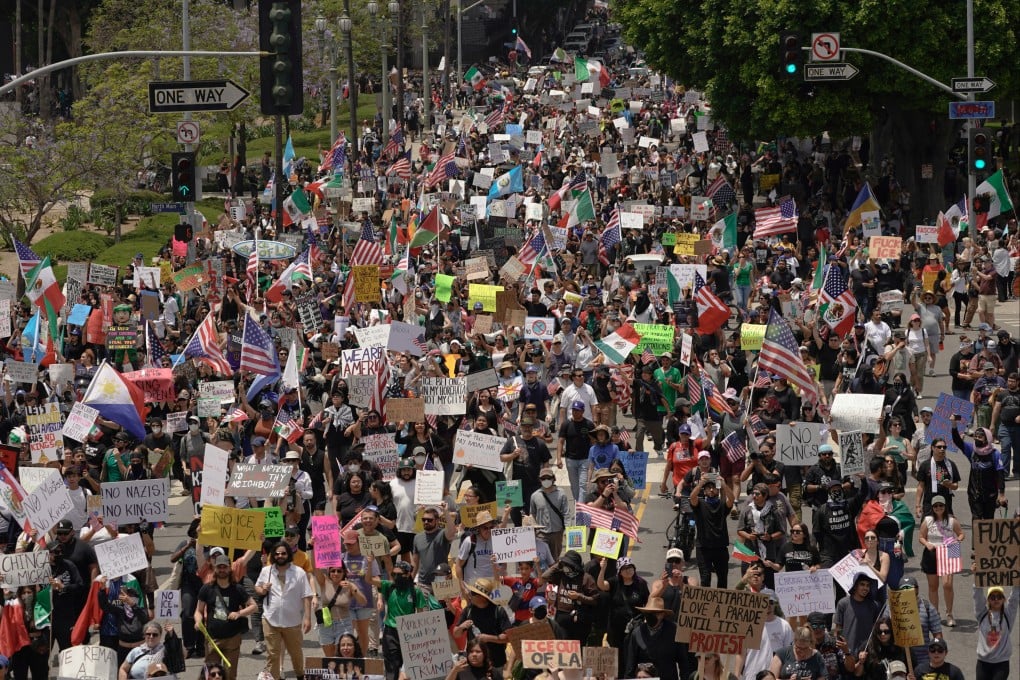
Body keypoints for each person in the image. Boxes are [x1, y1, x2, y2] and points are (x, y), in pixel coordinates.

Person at [254, 541, 314, 680]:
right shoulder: (266, 571)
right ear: (273, 556)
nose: (280, 556)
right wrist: (262, 590)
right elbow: (257, 587)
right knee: (272, 654)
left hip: (292, 621)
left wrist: (307, 618)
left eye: (283, 553)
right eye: (277, 554)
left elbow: (306, 595)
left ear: (288, 554)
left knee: (296, 653)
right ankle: (275, 677)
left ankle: (300, 675)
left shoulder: (299, 572)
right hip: (270, 619)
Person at [194, 554, 257, 680]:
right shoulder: (207, 589)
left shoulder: (238, 589)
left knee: (230, 675)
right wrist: (198, 621)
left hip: (232, 639)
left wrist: (239, 613)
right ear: (215, 569)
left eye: (225, 567)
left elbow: (254, 606)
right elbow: (198, 611)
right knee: (212, 675)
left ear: (229, 569)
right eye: (219, 567)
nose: (222, 570)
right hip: (212, 640)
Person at [373, 560, 433, 680]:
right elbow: (369, 580)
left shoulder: (415, 591)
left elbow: (420, 614)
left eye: (399, 574)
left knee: (409, 668)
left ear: (407, 574)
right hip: (390, 632)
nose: (396, 577)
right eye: (394, 574)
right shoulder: (389, 586)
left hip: (408, 633)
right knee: (391, 667)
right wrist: (369, 564)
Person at [918, 496, 964, 627]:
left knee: (947, 585)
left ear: (945, 506)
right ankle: (935, 614)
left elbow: (961, 533)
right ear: (932, 508)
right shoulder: (927, 520)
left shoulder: (951, 520)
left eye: (941, 506)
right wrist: (927, 544)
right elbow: (921, 537)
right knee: (933, 586)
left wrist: (957, 540)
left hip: (948, 552)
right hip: (932, 553)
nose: (938, 508)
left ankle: (949, 614)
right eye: (935, 506)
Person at [596, 556, 649, 671]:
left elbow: (648, 603)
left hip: (635, 628)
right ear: (619, 571)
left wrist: (646, 620)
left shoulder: (641, 584)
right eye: (625, 568)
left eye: (630, 567)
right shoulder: (614, 582)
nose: (628, 570)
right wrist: (603, 569)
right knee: (619, 655)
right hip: (616, 629)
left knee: (634, 653)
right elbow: (601, 585)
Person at [949, 417, 1006, 519]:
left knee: (989, 520)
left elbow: (1000, 474)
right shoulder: (971, 450)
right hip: (974, 493)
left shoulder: (995, 454)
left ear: (987, 439)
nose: (977, 439)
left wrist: (1001, 494)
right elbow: (957, 441)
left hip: (991, 494)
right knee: (977, 519)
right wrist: (954, 425)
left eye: (980, 437)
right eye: (976, 436)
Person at [454, 578, 511, 677]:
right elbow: (456, 633)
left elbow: (508, 637)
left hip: (495, 662)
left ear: (483, 597)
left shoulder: (498, 611)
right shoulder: (468, 610)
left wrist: (488, 638)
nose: (470, 595)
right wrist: (462, 627)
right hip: (474, 663)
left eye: (473, 593)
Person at [689, 472, 734, 588]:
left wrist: (723, 484)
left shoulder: (722, 504)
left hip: (720, 548)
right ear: (705, 491)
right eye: (708, 488)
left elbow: (731, 499)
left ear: (718, 491)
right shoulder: (700, 504)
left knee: (723, 578)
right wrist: (700, 484)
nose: (711, 490)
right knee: (705, 578)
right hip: (703, 548)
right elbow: (692, 498)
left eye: (713, 487)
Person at [624, 596, 686, 680]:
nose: (651, 616)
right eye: (648, 613)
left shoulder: (674, 631)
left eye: (655, 613)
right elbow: (630, 666)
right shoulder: (637, 633)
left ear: (662, 614)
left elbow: (683, 662)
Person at [316, 562, 368, 658]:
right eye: (333, 571)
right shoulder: (324, 582)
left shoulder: (349, 585)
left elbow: (363, 602)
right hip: (326, 623)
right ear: (329, 572)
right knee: (329, 657)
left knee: (342, 655)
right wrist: (313, 548)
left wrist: (353, 588)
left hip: (343, 623)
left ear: (344, 572)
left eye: (339, 571)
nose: (336, 573)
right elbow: (316, 567)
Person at [973, 585, 1020, 680]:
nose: (996, 599)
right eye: (992, 597)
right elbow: (977, 596)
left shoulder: (1008, 615)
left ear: (1004, 599)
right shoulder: (981, 614)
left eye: (999, 597)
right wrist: (976, 579)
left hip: (1001, 664)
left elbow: (1014, 599)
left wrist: (1017, 583)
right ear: (988, 600)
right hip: (983, 663)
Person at [833, 574, 880, 656]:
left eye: (868, 585)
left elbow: (875, 628)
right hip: (847, 652)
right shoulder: (843, 603)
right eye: (862, 584)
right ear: (855, 586)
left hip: (866, 652)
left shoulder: (873, 605)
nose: (865, 588)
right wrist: (840, 648)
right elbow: (838, 629)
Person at [529, 467, 568, 557]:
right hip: (541, 534)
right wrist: (532, 532)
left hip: (557, 533)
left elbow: (566, 513)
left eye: (548, 478)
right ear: (540, 480)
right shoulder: (535, 496)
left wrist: (568, 530)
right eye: (543, 478)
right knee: (542, 559)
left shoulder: (561, 494)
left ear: (553, 478)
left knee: (555, 559)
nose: (546, 480)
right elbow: (532, 515)